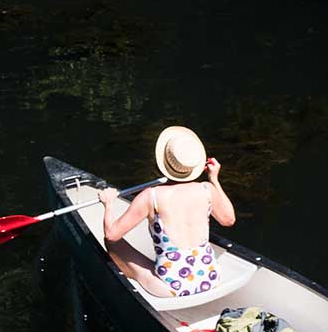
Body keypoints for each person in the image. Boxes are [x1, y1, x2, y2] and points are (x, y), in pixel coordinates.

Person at [97, 125, 235, 298]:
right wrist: (214, 179)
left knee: (112, 244)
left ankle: (131, 284)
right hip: (211, 278)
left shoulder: (150, 196)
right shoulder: (207, 189)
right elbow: (228, 220)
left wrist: (108, 204)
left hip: (171, 288)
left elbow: (111, 235)